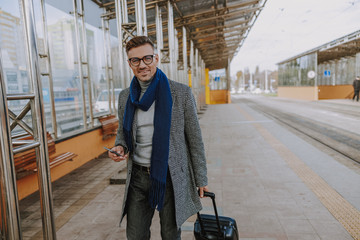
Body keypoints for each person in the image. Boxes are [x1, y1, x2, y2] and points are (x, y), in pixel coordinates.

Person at [108, 36, 208, 240]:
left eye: (147, 58)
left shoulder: (180, 93)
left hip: (171, 177)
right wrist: (120, 147)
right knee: (135, 235)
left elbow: (195, 140)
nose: (142, 65)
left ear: (156, 58)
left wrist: (201, 178)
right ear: (129, 64)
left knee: (171, 234)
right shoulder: (125, 97)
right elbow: (123, 134)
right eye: (135, 60)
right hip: (138, 177)